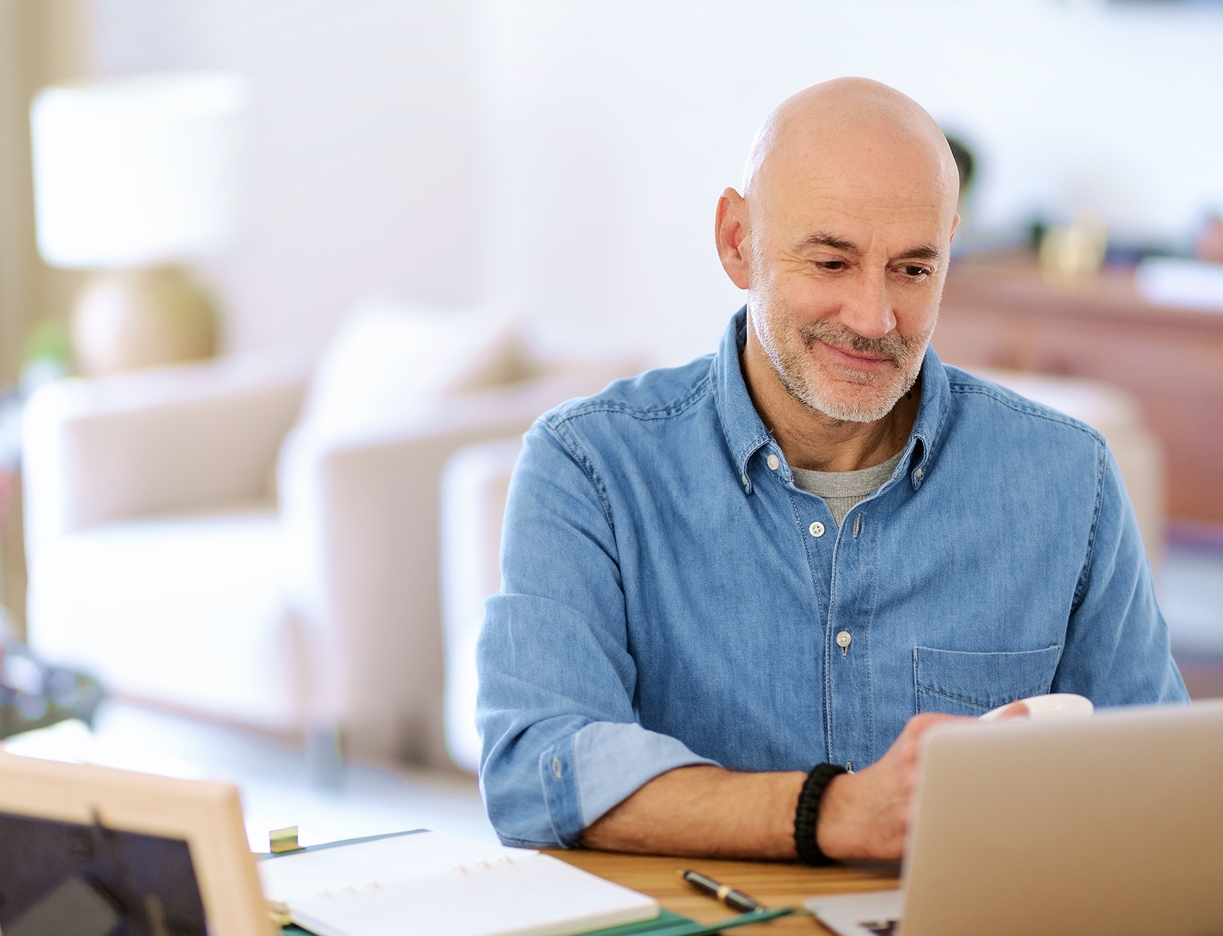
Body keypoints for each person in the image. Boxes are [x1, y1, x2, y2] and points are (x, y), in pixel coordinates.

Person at [476, 78, 1186, 863]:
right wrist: (834, 812)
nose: (874, 318)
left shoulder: (1066, 478)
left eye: (913, 270)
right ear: (737, 241)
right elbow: (534, 772)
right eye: (832, 261)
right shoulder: (591, 469)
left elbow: (1158, 776)